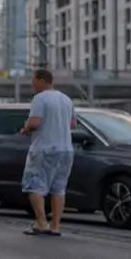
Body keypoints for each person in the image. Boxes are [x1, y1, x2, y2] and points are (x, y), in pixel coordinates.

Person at [18, 69, 75, 237]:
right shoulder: (66, 99)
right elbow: (72, 124)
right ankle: (55, 226)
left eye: (33, 81)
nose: (32, 85)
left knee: (34, 185)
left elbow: (35, 123)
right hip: (66, 149)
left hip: (44, 149)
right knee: (59, 188)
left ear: (41, 80)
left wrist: (25, 128)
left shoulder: (40, 98)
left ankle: (41, 223)